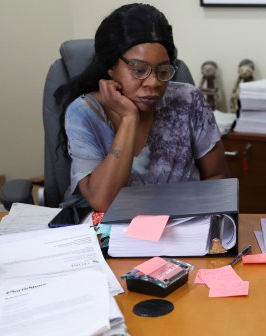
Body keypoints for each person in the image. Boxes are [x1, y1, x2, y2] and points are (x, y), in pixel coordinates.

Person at [56, 3, 229, 212]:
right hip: (108, 235)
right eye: (139, 70)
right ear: (110, 66)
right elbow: (103, 201)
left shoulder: (188, 100)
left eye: (163, 70)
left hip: (181, 228)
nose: (153, 82)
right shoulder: (84, 113)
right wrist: (129, 120)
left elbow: (217, 177)